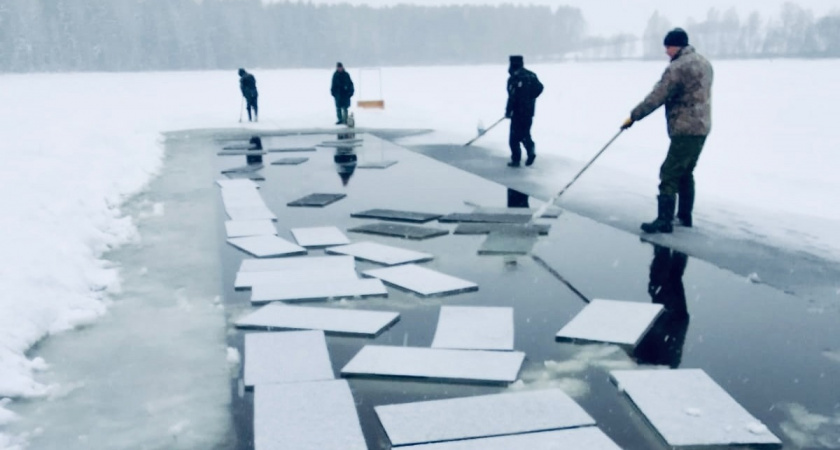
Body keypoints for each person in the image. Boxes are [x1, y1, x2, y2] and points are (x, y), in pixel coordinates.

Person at [621, 28, 713, 234]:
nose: (666, 51)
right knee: (685, 172)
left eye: (668, 47)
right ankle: (684, 216)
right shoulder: (705, 63)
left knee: (669, 173)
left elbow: (657, 96)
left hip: (685, 127)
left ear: (677, 46)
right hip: (702, 127)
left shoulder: (678, 67)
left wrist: (634, 116)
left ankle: (665, 221)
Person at [633, 243, 690, 368]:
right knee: (663, 281)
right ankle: (664, 248)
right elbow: (642, 350)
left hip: (677, 322)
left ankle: (675, 251)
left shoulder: (667, 366)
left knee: (673, 279)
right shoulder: (655, 364)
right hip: (669, 320)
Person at [505, 55, 543, 167]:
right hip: (529, 111)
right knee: (525, 133)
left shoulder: (514, 78)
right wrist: (530, 99)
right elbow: (540, 88)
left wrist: (508, 111)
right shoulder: (531, 75)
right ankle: (530, 149)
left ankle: (516, 160)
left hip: (517, 112)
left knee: (514, 138)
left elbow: (512, 96)